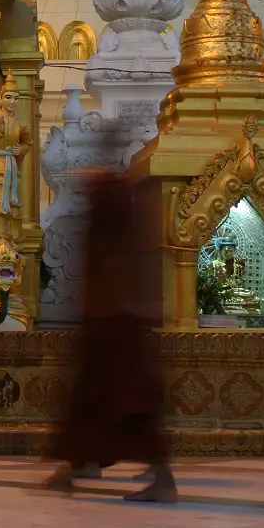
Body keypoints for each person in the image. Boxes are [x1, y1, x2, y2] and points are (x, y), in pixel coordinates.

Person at [44, 171, 177, 503]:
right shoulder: (117, 223)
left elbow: (116, 269)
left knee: (125, 406)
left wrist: (115, 307)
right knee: (91, 405)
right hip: (105, 321)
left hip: (112, 323)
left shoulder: (113, 219)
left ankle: (160, 479)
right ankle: (75, 467)